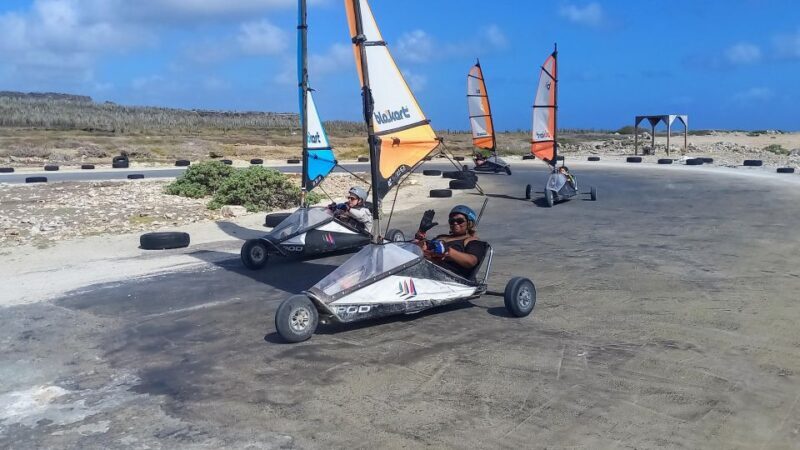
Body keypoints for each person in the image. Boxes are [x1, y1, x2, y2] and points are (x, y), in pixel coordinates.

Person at [414, 205, 487, 279]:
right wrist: (421, 232)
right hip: (424, 270)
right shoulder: (441, 237)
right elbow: (418, 249)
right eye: (452, 221)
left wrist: (448, 251)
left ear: (469, 223)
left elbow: (471, 261)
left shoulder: (471, 240)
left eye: (459, 221)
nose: (455, 223)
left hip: (448, 278)